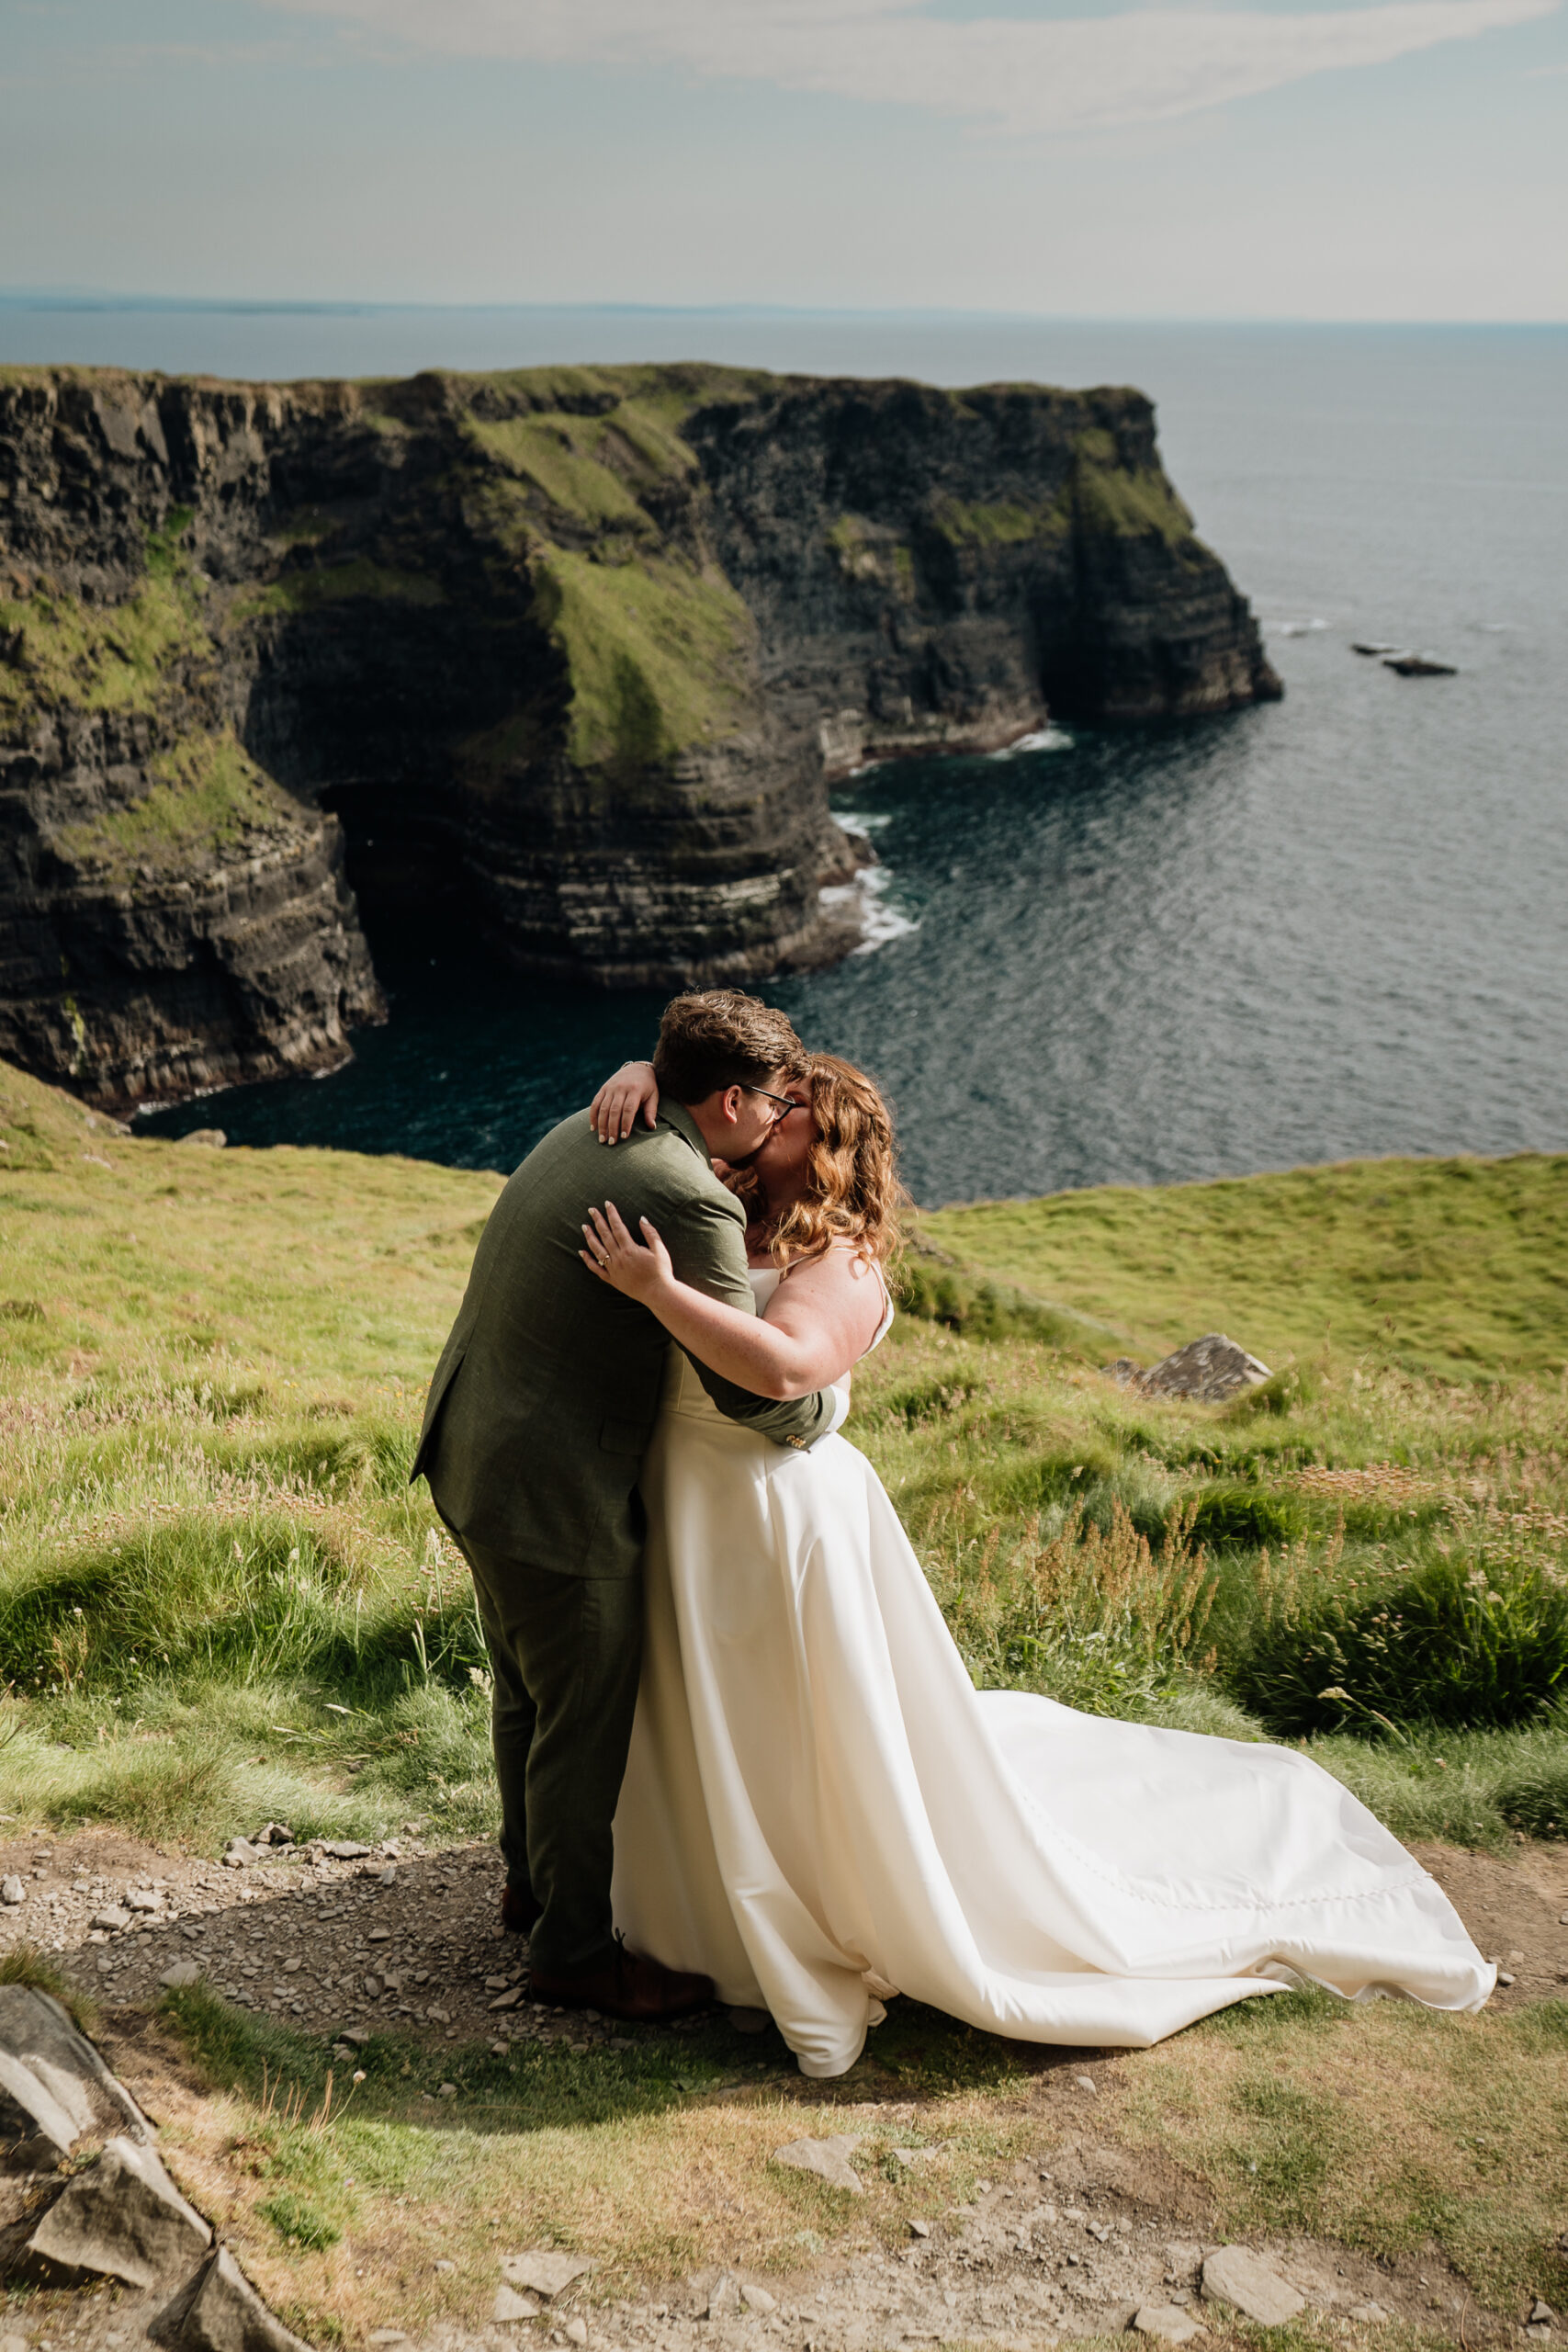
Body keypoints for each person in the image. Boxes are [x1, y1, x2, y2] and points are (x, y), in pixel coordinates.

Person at [579, 1053, 1493, 2078]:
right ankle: (700, 1922)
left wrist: (656, 1291)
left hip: (773, 1517)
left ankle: (811, 1911)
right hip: (685, 1499)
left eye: (790, 1106)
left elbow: (787, 1367)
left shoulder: (842, 1257)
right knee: (699, 1714)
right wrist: (647, 1067)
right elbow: (719, 1082)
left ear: (827, 1139)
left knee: (789, 1726)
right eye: (765, 1098)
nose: (767, 1111)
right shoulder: (728, 1206)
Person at [411, 990, 843, 2023]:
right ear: (730, 1099)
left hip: (471, 1453)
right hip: (557, 1493)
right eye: (778, 1101)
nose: (785, 1118)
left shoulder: (594, 1122)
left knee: (525, 1689)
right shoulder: (693, 1200)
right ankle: (570, 1953)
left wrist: (641, 1064)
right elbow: (749, 1392)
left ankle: (529, 1884)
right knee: (582, 1721)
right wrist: (829, 1400)